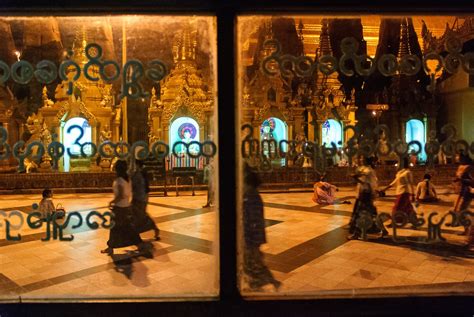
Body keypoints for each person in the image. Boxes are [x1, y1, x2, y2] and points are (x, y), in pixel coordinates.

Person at [243, 165, 281, 291]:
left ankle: (261, 284)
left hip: (252, 237)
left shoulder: (251, 196)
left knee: (254, 263)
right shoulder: (248, 195)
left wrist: (251, 239)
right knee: (253, 262)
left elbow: (254, 220)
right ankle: (265, 282)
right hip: (251, 237)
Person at [101, 160, 143, 256]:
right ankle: (111, 247)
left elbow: (120, 195)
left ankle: (140, 244)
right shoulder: (127, 178)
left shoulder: (119, 180)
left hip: (120, 208)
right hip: (125, 206)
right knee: (121, 227)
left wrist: (112, 202)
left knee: (121, 227)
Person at [348, 156, 386, 240]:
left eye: (362, 158)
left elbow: (365, 183)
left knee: (360, 214)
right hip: (363, 194)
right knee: (372, 214)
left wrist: (355, 178)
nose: (361, 159)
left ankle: (356, 233)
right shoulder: (365, 169)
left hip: (366, 194)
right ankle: (383, 230)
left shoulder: (368, 171)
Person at [382, 156, 416, 226]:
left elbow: (411, 183)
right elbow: (394, 182)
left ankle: (394, 222)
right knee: (408, 208)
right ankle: (414, 221)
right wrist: (385, 189)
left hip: (404, 192)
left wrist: (413, 194)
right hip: (399, 192)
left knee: (397, 207)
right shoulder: (400, 173)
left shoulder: (407, 172)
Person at [131, 160, 160, 240]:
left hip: (140, 198)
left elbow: (136, 186)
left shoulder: (139, 174)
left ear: (138, 165)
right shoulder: (141, 173)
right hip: (141, 197)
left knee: (141, 215)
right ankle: (153, 229)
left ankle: (154, 229)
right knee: (139, 215)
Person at [453, 152, 473, 235]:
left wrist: (462, 180)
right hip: (461, 191)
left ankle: (468, 230)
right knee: (456, 209)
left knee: (461, 210)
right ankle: (466, 227)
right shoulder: (460, 166)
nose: (456, 157)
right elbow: (458, 178)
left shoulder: (469, 167)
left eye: (458, 156)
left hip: (467, 191)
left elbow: (472, 181)